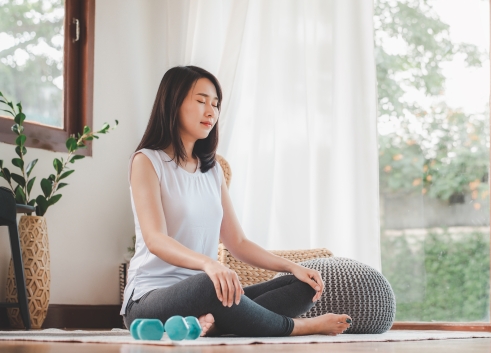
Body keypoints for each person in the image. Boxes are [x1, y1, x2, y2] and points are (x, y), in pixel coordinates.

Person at [120, 66, 351, 337]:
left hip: (209, 294)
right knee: (209, 285)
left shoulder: (212, 170)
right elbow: (155, 239)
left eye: (216, 104)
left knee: (303, 286)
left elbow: (237, 243)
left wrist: (292, 267)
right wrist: (209, 264)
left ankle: (213, 323)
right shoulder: (148, 161)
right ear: (174, 102)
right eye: (201, 100)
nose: (211, 112)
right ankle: (297, 327)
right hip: (150, 298)